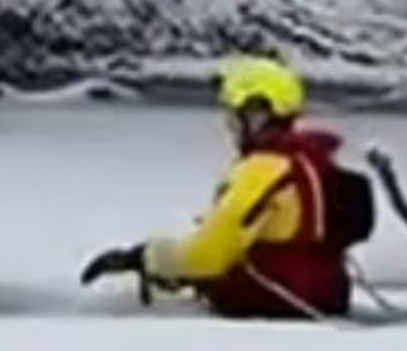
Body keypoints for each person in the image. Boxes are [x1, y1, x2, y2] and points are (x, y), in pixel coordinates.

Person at [79, 55, 371, 319]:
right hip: (326, 294)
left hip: (274, 301)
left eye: (235, 114)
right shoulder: (313, 160)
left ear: (259, 111)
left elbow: (209, 255)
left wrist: (145, 257)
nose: (229, 125)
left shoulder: (262, 170)